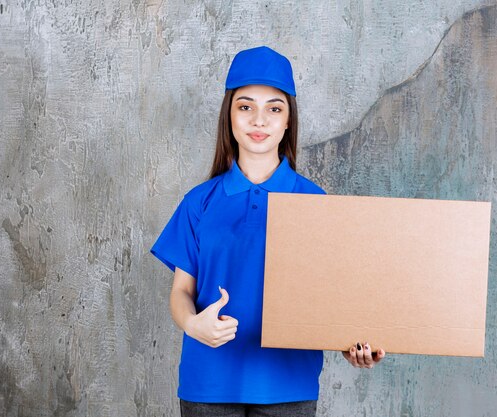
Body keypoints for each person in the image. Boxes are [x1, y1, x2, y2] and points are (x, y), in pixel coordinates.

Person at [151, 46, 385, 417]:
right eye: (245, 107)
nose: (259, 120)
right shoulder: (200, 202)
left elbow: (330, 298)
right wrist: (194, 325)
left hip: (287, 383)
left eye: (274, 108)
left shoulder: (315, 201)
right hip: (208, 383)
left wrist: (351, 344)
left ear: (289, 119)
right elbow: (181, 291)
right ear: (228, 115)